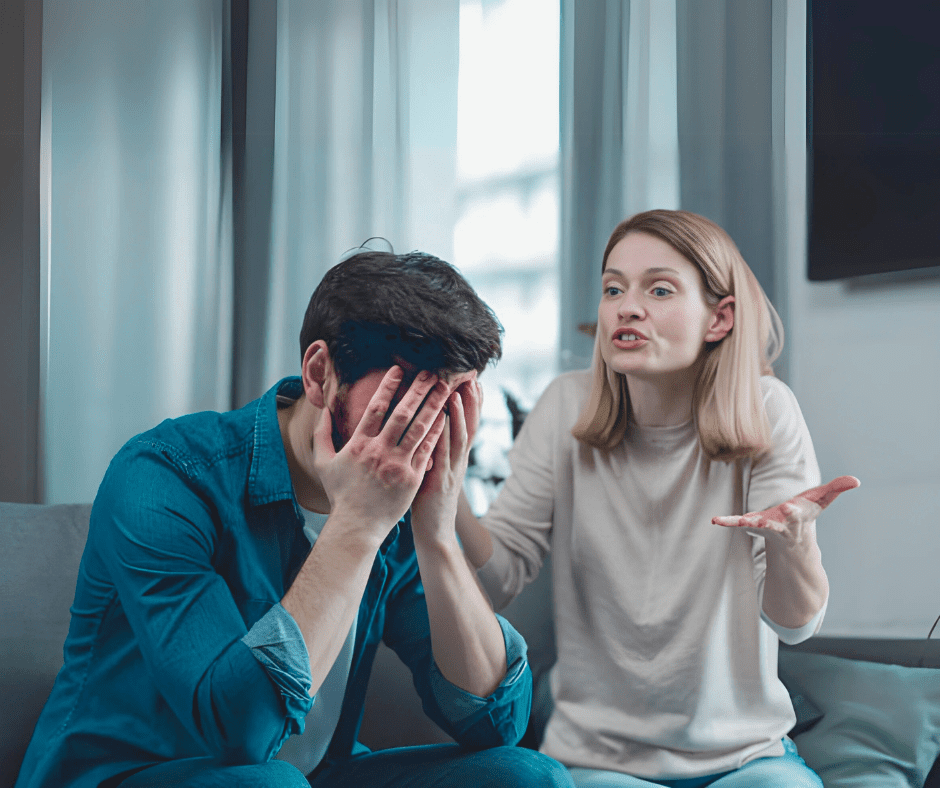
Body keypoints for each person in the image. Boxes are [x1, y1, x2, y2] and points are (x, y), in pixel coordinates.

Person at [16, 250, 574, 788]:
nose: (424, 431)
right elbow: (242, 733)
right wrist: (358, 522)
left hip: (311, 775)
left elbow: (496, 725)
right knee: (267, 781)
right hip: (133, 773)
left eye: (448, 403)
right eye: (406, 397)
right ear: (319, 372)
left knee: (528, 776)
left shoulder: (403, 493)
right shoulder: (166, 474)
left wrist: (436, 534)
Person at [455, 209, 859, 788]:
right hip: (600, 762)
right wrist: (447, 497)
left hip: (749, 757)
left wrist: (794, 544)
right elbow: (496, 579)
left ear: (719, 318)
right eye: (612, 288)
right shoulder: (564, 407)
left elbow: (794, 625)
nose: (627, 306)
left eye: (659, 289)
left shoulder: (768, 409)